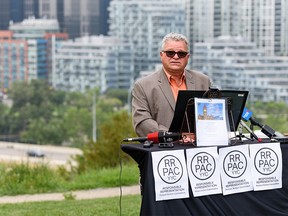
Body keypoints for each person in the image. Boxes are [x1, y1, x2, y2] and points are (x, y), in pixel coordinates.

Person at [132, 32, 211, 138]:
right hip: (162, 150)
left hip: (198, 150)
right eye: (170, 53)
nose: (176, 57)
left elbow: (212, 116)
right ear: (161, 55)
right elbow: (142, 123)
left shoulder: (203, 81)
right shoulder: (143, 86)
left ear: (187, 57)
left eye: (181, 54)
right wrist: (175, 136)